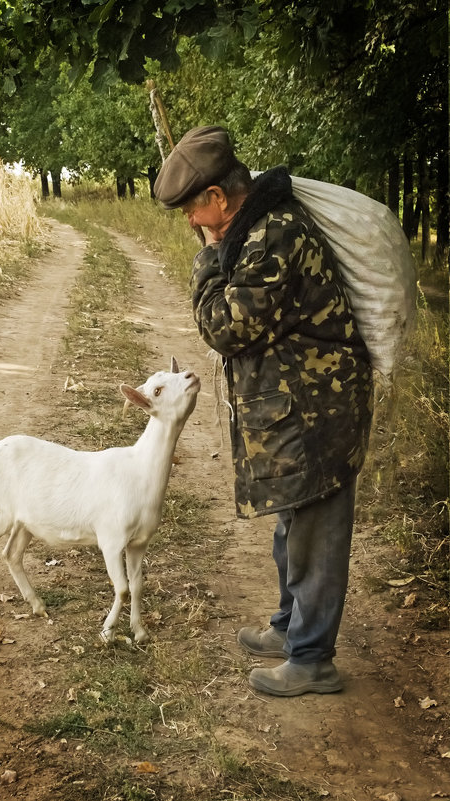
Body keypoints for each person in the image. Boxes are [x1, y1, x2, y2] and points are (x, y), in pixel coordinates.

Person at [154, 126, 373, 696]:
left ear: (219, 199)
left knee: (314, 538)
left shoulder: (273, 236)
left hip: (319, 414)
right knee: (290, 527)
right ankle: (289, 628)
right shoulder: (256, 230)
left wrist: (205, 265)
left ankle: (312, 659)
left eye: (191, 211)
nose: (191, 223)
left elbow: (227, 328)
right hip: (296, 410)